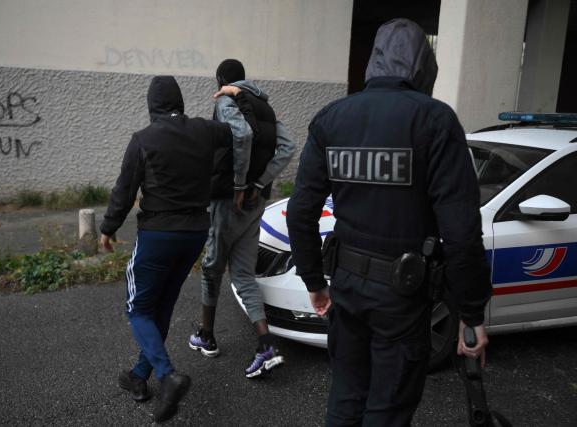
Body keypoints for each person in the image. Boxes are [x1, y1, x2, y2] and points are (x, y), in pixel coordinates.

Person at [286, 19, 492, 426]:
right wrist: (471, 313)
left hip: (345, 289)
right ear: (423, 66)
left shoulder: (332, 117)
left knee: (345, 399)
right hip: (402, 297)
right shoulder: (435, 121)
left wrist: (314, 282)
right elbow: (461, 231)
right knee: (388, 408)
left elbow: (300, 211)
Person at [100, 75, 253, 423]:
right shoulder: (206, 131)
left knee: (138, 309)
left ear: (152, 106)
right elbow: (241, 131)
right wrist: (238, 96)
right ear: (180, 103)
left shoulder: (143, 139)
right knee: (164, 304)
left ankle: (168, 376)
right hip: (195, 232)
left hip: (158, 233)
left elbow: (125, 191)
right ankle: (139, 377)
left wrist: (107, 228)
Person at [187, 59, 296, 378]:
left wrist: (238, 185)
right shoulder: (266, 106)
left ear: (220, 80)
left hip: (227, 200)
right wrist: (261, 183)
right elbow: (288, 147)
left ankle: (206, 336)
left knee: (212, 268)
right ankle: (266, 347)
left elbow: (242, 134)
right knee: (244, 275)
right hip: (256, 203)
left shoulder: (226, 101)